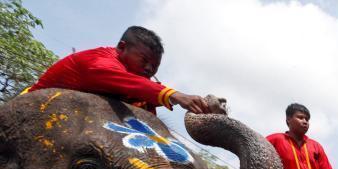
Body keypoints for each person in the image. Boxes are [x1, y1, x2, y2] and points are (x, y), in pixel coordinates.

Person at [23, 26, 209, 115]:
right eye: (144, 61)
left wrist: (200, 104)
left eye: (154, 67)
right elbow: (133, 86)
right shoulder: (99, 63)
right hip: (32, 111)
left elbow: (141, 92)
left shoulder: (131, 77)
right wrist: (176, 96)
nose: (148, 69)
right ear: (122, 47)